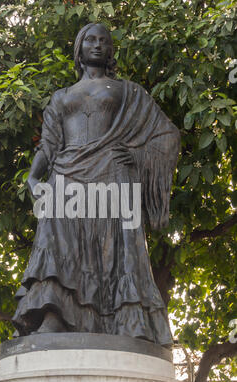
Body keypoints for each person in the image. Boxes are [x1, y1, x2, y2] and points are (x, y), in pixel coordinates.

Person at [12, 23, 180, 347]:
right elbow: (48, 145)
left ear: (111, 49)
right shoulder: (61, 97)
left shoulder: (127, 92)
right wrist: (33, 177)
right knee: (55, 239)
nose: (98, 45)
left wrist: (136, 154)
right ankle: (54, 315)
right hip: (66, 174)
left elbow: (167, 134)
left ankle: (128, 323)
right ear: (80, 47)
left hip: (113, 173)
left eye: (104, 40)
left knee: (120, 250)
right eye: (91, 39)